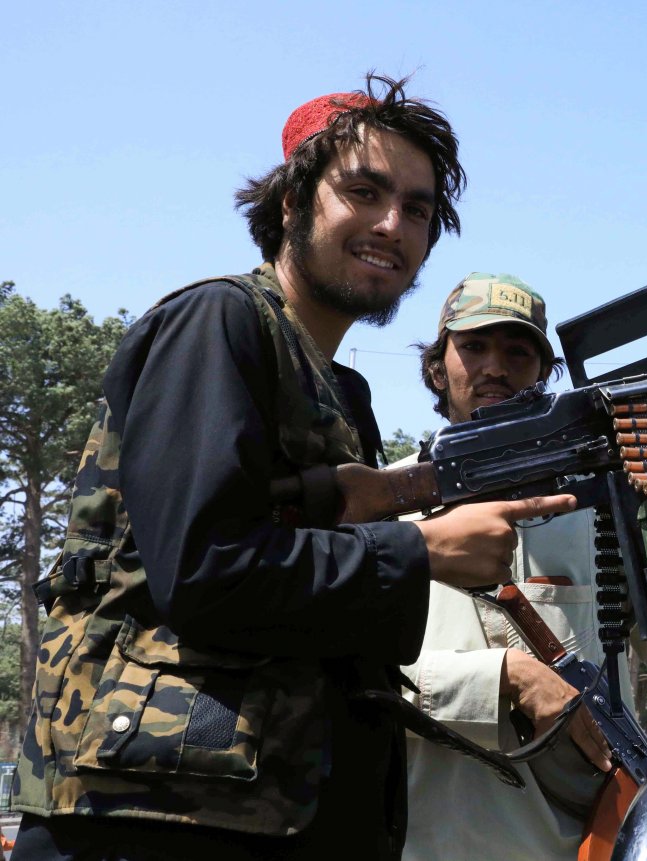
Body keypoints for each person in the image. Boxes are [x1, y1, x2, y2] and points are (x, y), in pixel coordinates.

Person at [10, 76, 573, 861]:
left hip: (276, 817)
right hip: (150, 821)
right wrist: (422, 548)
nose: (391, 224)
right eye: (364, 191)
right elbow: (206, 570)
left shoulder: (341, 392)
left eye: (416, 209)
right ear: (291, 201)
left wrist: (392, 494)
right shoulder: (218, 322)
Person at [398, 273, 647, 860]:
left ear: (544, 376)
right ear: (437, 369)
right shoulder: (388, 512)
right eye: (474, 347)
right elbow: (347, 678)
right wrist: (502, 680)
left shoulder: (593, 511)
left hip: (572, 842)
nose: (496, 367)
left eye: (518, 351)